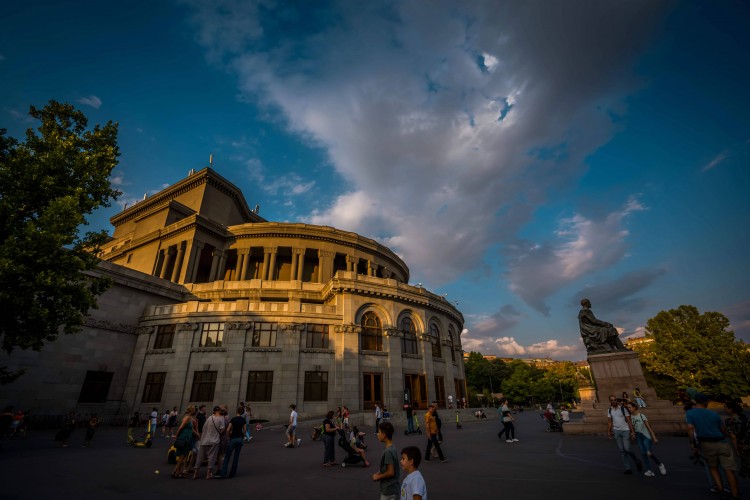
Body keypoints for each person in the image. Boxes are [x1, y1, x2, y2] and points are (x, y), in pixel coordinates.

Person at [686, 395, 740, 497]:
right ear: (706, 402)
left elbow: (690, 428)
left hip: (706, 443)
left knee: (713, 467)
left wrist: (693, 444)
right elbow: (723, 429)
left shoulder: (690, 413)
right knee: (729, 469)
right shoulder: (713, 413)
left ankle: (720, 489)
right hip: (721, 442)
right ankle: (735, 493)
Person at [626, 402, 666, 477]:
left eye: (630, 407)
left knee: (648, 452)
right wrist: (633, 434)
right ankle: (649, 470)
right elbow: (633, 428)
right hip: (638, 436)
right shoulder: (631, 417)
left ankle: (660, 464)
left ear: (634, 407)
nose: (629, 409)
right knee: (643, 453)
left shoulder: (641, 415)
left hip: (646, 436)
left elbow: (649, 427)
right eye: (628, 408)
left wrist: (654, 437)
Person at [606, 394, 641, 474]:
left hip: (625, 430)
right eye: (612, 400)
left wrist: (632, 432)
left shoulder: (623, 409)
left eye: (615, 399)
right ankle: (627, 468)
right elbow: (609, 422)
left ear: (616, 400)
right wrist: (609, 431)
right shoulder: (609, 410)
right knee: (622, 450)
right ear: (610, 401)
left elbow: (629, 420)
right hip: (616, 431)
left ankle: (637, 460)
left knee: (627, 449)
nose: (614, 401)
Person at [192, 406, 225, 480]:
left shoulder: (209, 418)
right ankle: (208, 474)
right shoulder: (221, 418)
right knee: (211, 457)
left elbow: (204, 428)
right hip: (214, 440)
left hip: (204, 440)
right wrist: (218, 433)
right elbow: (222, 429)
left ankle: (195, 473)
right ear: (219, 411)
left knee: (200, 457)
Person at [217, 406, 247, 479]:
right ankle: (232, 473)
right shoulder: (243, 419)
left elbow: (228, 429)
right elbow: (245, 430)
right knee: (236, 456)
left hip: (233, 438)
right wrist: (243, 436)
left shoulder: (233, 419)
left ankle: (223, 473)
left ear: (237, 411)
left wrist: (228, 436)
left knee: (227, 456)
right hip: (240, 438)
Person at [372, 421, 400, 499]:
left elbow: (390, 472)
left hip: (389, 490)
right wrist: (379, 472)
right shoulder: (392, 447)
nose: (377, 434)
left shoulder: (388, 451)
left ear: (384, 435)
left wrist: (378, 477)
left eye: (379, 432)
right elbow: (387, 467)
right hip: (393, 489)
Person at [171, 405, 199, 478]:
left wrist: (197, 434)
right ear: (191, 410)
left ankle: (178, 472)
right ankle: (174, 471)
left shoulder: (189, 417)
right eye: (194, 409)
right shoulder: (187, 417)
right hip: (184, 438)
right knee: (182, 456)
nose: (195, 411)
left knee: (182, 456)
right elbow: (180, 428)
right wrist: (176, 436)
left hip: (186, 438)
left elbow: (191, 429)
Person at [725, 401, 749, 480]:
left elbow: (733, 437)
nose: (724, 409)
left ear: (731, 409)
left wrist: (736, 450)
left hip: (742, 446)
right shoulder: (745, 419)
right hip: (748, 443)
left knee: (746, 468)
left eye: (726, 408)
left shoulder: (729, 421)